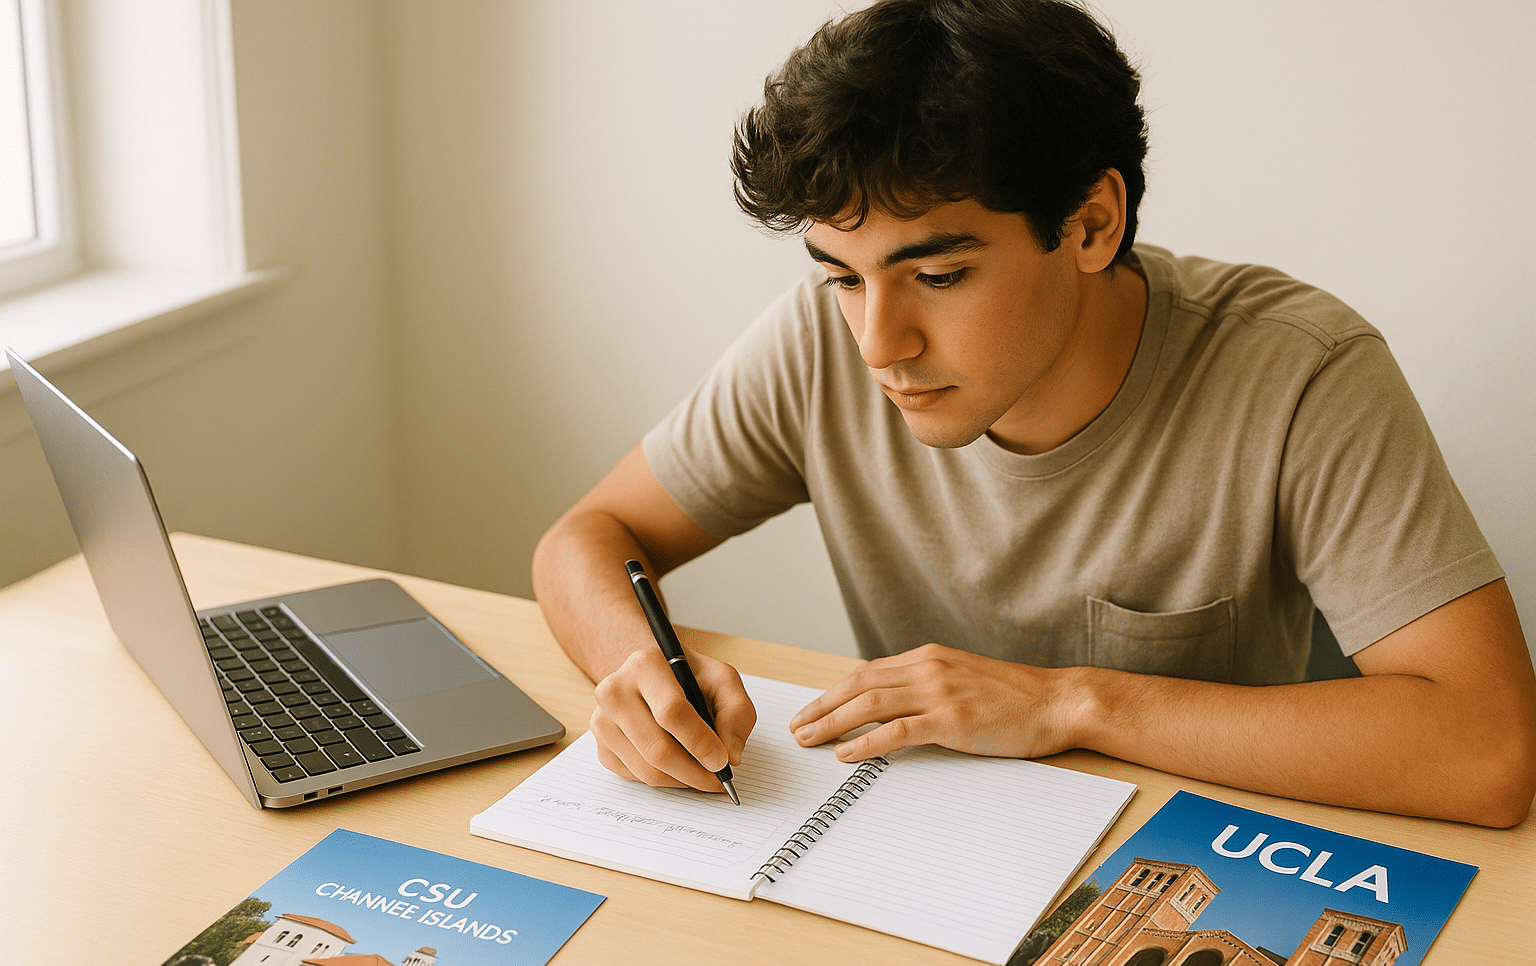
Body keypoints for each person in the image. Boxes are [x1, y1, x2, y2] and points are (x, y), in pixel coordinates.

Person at [531, 0, 1536, 827]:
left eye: (940, 273)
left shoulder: (1302, 373)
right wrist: (636, 669)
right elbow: (587, 537)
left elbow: (1487, 748)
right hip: (932, 848)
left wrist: (1069, 700)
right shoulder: (819, 340)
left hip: (1196, 855)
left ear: (1092, 223)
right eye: (843, 276)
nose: (880, 343)